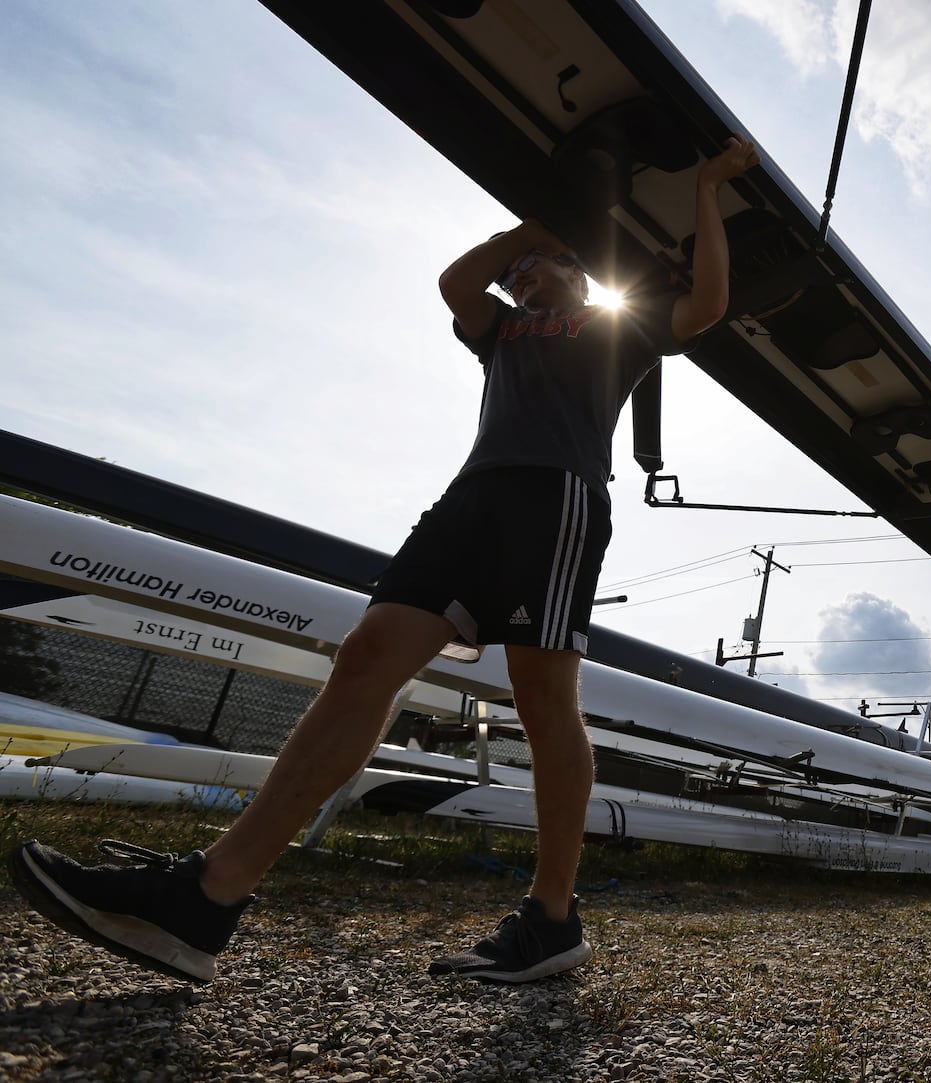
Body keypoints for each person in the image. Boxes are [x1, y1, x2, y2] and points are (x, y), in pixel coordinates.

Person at [9, 134, 763, 985]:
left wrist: (705, 185)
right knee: (365, 657)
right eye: (518, 274)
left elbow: (707, 302)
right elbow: (455, 283)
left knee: (544, 700)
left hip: (553, 501)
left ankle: (551, 916)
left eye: (545, 268)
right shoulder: (501, 330)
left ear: (584, 275)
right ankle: (207, 898)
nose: (526, 280)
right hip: (466, 503)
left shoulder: (612, 328)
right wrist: (539, 226)